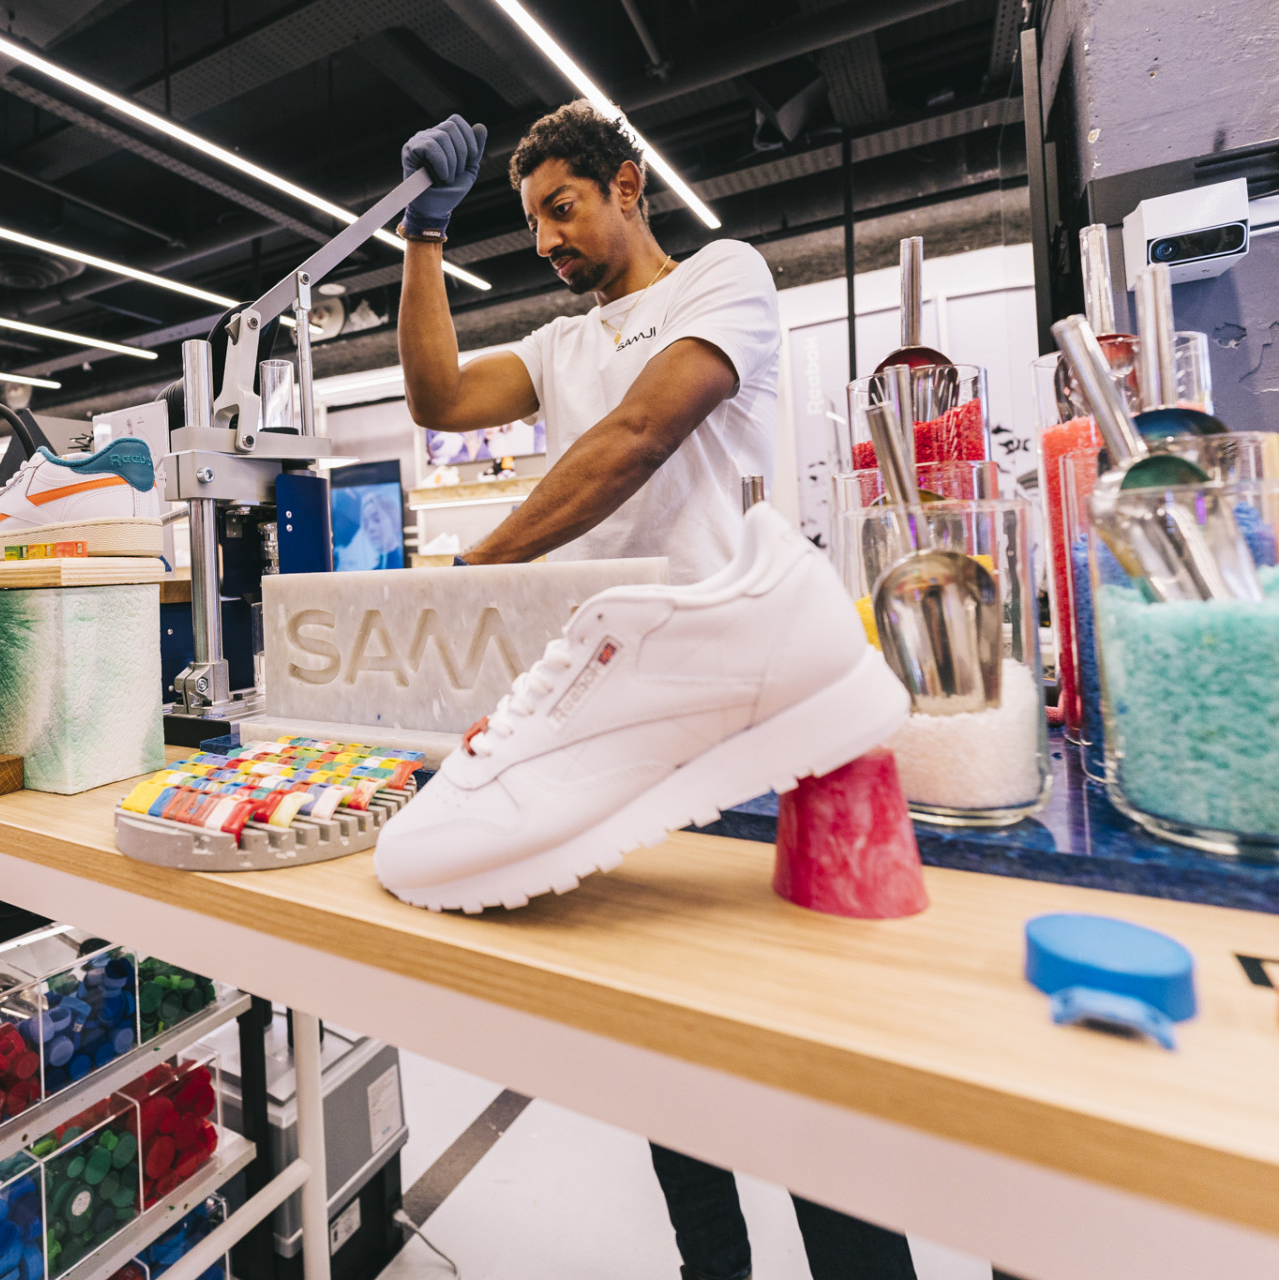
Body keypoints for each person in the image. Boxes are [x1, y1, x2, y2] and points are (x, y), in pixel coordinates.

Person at [395, 105, 934, 1280]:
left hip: (757, 696)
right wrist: (424, 236)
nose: (546, 239)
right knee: (662, 1047)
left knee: (802, 1047)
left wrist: (474, 567)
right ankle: (713, 1268)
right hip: (623, 711)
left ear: (628, 186)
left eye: (562, 208)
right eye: (531, 221)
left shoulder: (722, 279)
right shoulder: (556, 347)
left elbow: (641, 431)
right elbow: (436, 401)